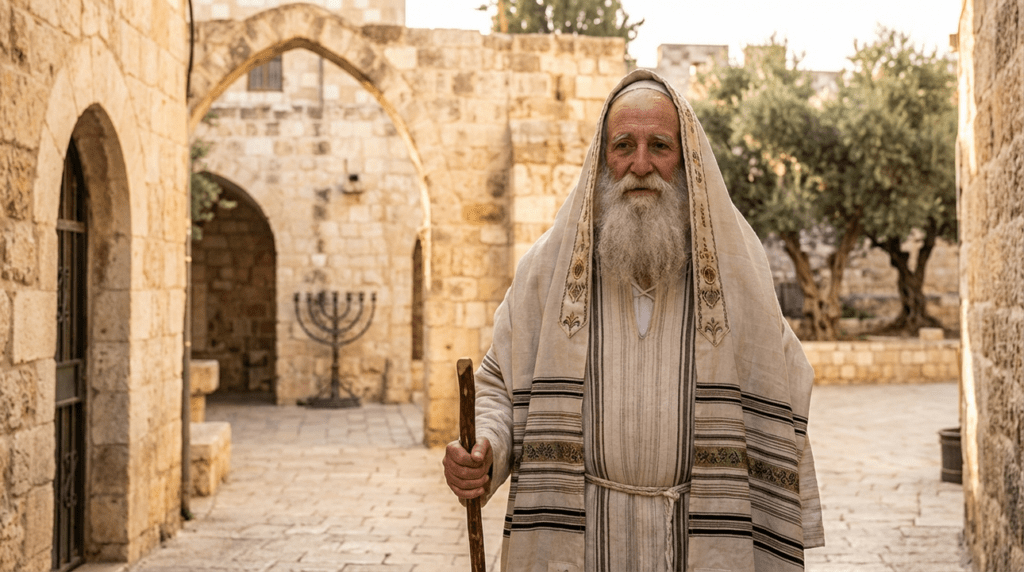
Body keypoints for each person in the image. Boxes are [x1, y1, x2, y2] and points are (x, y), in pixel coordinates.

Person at [442, 70, 824, 572]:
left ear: (685, 160)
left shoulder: (737, 275)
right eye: (624, 145)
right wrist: (486, 447)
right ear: (603, 158)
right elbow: (498, 380)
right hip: (578, 539)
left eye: (659, 145)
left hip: (700, 538)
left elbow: (785, 382)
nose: (640, 165)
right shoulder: (547, 269)